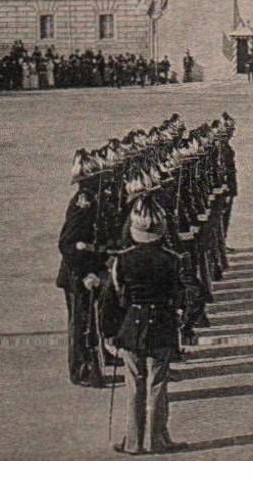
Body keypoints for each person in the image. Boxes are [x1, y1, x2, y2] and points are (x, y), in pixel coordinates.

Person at [110, 197, 188, 455]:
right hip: (162, 325)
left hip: (132, 326)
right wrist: (180, 316)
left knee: (134, 385)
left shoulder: (123, 259)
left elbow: (112, 298)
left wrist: (111, 332)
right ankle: (157, 439)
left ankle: (133, 441)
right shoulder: (171, 259)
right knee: (158, 385)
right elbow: (182, 292)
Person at [56, 153, 107, 387]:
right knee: (80, 323)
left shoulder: (92, 201)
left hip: (89, 270)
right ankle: (79, 370)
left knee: (88, 321)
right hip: (77, 274)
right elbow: (67, 243)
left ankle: (89, 364)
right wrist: (85, 272)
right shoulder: (82, 204)